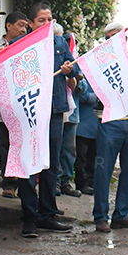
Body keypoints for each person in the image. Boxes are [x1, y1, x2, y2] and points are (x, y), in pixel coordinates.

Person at [17, 2, 76, 238]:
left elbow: (74, 70)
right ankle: (29, 218)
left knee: (51, 164)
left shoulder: (60, 43)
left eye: (49, 19)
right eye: (41, 20)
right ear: (30, 23)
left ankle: (47, 214)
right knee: (30, 164)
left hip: (54, 110)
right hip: (30, 112)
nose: (47, 24)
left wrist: (69, 68)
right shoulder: (20, 46)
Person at [91, 22, 128, 234]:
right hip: (110, 120)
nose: (115, 40)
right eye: (110, 37)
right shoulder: (98, 60)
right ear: (106, 40)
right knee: (103, 170)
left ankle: (122, 214)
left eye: (118, 36)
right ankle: (101, 216)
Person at [0, 10, 28, 197]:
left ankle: (25, 184)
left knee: (21, 144)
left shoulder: (28, 47)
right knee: (5, 144)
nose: (23, 29)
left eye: (26, 26)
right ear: (8, 25)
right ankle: (9, 184)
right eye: (20, 25)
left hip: (22, 104)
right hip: (2, 105)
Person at [56, 25, 82, 198]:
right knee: (55, 148)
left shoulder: (69, 59)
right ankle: (55, 182)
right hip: (55, 110)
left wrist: (71, 74)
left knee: (69, 149)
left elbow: (74, 87)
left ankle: (66, 181)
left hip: (71, 112)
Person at [73, 76, 98, 195]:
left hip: (97, 126)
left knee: (93, 157)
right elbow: (81, 94)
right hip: (82, 125)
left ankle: (91, 182)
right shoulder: (85, 74)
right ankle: (81, 182)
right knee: (81, 157)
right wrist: (96, 97)